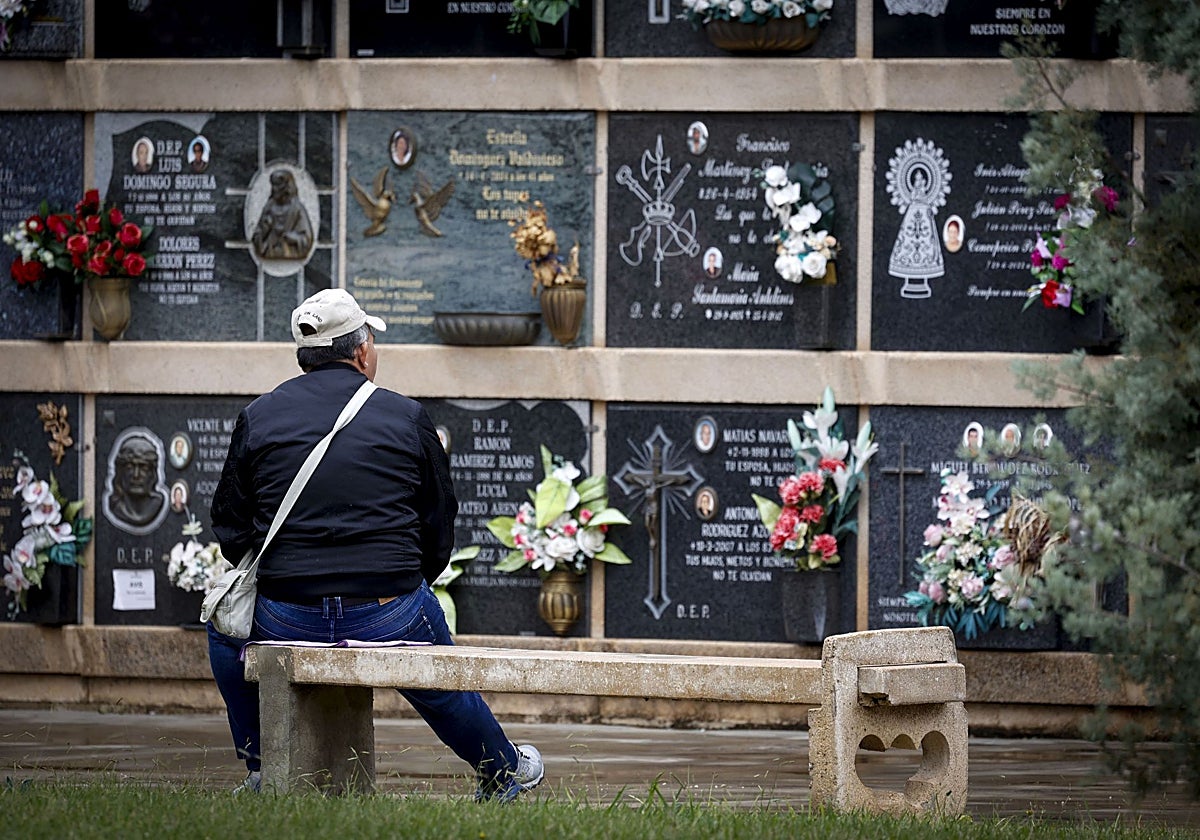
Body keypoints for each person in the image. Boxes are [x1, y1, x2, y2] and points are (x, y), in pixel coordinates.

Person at [207, 288, 542, 801]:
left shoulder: (258, 416)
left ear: (305, 357)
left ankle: (261, 767)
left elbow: (230, 525)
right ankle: (502, 771)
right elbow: (439, 520)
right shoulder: (405, 416)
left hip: (284, 614)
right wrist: (402, 583)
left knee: (224, 631)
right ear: (362, 349)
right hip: (388, 609)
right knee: (437, 674)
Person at [251, 169, 314, 260]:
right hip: (270, 250)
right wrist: (264, 229)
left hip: (289, 251)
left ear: (286, 187)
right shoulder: (269, 207)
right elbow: (257, 236)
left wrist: (295, 238)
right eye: (273, 185)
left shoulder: (297, 209)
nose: (274, 189)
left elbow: (307, 239)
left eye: (278, 185)